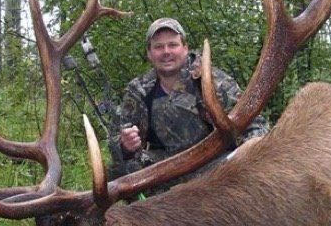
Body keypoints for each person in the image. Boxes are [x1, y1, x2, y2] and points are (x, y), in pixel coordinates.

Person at [114, 17, 269, 189]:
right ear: (149, 53)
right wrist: (126, 146)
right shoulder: (139, 91)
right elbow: (119, 144)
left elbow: (254, 124)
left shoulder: (213, 81)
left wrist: (250, 148)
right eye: (158, 47)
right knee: (123, 173)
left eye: (173, 45)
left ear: (185, 48)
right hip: (167, 171)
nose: (166, 51)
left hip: (217, 166)